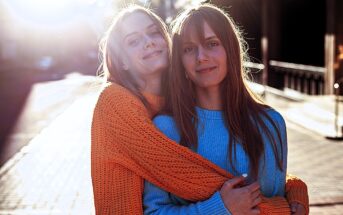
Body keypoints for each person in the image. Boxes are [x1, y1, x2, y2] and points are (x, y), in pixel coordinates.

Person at [91, 4, 309, 215]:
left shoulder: (271, 123)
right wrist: (231, 208)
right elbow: (177, 177)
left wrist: (295, 188)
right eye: (188, 49)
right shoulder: (135, 113)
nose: (201, 57)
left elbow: (273, 185)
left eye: (212, 43)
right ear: (180, 58)